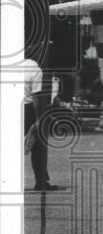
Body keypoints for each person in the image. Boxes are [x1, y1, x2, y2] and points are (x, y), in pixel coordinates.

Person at [22, 57, 58, 192]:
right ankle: (41, 182)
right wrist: (38, 119)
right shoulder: (34, 69)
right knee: (39, 148)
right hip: (29, 109)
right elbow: (36, 97)